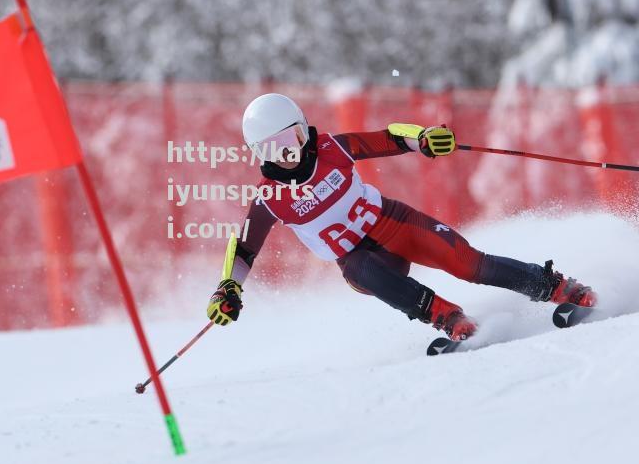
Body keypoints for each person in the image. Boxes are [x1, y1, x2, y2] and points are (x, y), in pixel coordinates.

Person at [206, 93, 597, 354]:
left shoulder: (333, 149)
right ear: (258, 154)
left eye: (290, 139)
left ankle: (559, 287)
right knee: (359, 266)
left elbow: (390, 138)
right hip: (365, 263)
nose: (287, 154)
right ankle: (448, 317)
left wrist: (423, 138)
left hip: (394, 224)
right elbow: (243, 246)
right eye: (272, 149)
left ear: (302, 129)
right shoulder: (271, 196)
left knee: (470, 265)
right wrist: (229, 287)